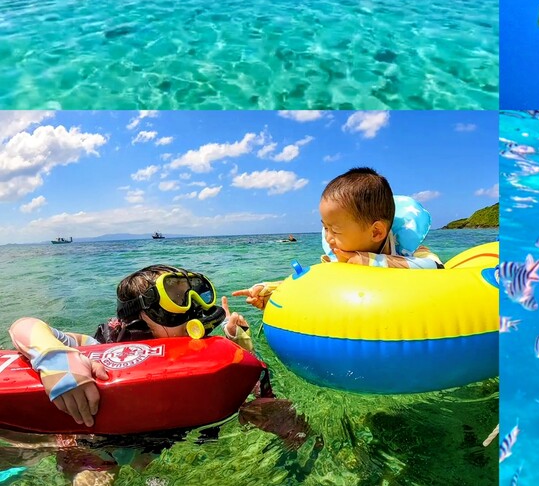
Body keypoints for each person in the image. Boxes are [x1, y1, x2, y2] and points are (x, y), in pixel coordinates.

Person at [5, 265, 309, 484]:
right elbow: (24, 326)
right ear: (143, 316)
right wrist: (56, 357)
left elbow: (252, 397)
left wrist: (240, 350)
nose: (195, 308)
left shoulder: (204, 359)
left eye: (197, 294)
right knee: (89, 470)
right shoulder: (101, 349)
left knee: (286, 419)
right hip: (98, 444)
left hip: (167, 442)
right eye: (179, 299)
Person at [236, 168, 443, 310]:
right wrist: (271, 291)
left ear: (376, 233)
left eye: (335, 230)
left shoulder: (408, 248)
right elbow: (314, 282)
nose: (328, 238)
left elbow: (437, 268)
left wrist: (368, 261)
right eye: (325, 227)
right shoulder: (337, 257)